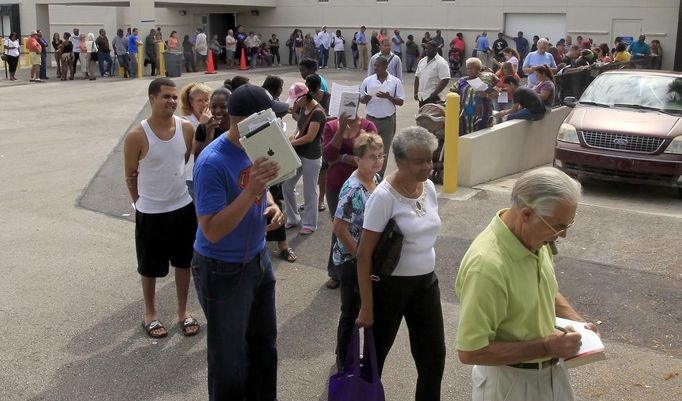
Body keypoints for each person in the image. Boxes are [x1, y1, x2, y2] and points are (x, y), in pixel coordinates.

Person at [456, 167, 597, 401]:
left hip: (552, 374)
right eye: (558, 226)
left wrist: (578, 323)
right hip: (511, 384)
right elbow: (470, 351)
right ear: (527, 214)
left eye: (567, 226)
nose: (561, 236)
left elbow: (545, 289)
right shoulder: (487, 267)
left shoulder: (534, 240)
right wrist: (546, 347)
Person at [192, 84, 284, 401]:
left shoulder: (256, 146)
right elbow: (212, 230)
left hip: (258, 260)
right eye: (270, 118)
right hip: (222, 270)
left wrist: (270, 203)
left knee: (264, 349)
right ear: (247, 123)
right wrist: (251, 192)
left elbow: (263, 188)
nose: (277, 125)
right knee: (229, 361)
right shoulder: (211, 163)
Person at [356, 126, 445, 401]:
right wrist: (367, 306)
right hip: (390, 288)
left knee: (433, 357)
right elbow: (363, 254)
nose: (428, 167)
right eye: (420, 161)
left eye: (430, 159)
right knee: (375, 358)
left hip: (425, 284)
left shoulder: (429, 188)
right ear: (400, 160)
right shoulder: (383, 197)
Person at [123, 77, 200, 340]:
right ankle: (151, 314)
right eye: (165, 96)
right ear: (152, 98)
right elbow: (130, 175)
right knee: (149, 266)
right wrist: (141, 203)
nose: (171, 101)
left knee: (183, 262)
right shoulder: (136, 135)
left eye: (174, 97)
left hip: (183, 207)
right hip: (150, 212)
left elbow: (183, 160)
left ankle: (182, 311)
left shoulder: (186, 128)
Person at [331, 132, 384, 370]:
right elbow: (339, 228)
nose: (377, 161)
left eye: (380, 156)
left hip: (366, 259)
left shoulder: (376, 178)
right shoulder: (353, 189)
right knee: (351, 312)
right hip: (351, 261)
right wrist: (361, 256)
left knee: (366, 309)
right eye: (371, 157)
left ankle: (356, 357)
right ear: (358, 159)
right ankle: (344, 361)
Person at [322, 112, 378, 290]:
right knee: (339, 227)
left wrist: (343, 158)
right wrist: (341, 130)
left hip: (365, 183)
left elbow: (372, 157)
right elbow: (329, 156)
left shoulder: (368, 126)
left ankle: (361, 267)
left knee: (364, 227)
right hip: (336, 185)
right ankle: (336, 271)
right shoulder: (331, 126)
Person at [282, 81, 327, 235]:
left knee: (309, 190)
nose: (295, 105)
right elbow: (301, 127)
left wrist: (291, 142)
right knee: (287, 185)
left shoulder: (318, 112)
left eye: (296, 101)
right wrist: (294, 135)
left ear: (304, 97)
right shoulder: (304, 107)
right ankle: (293, 218)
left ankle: (310, 223)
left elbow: (310, 137)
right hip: (299, 153)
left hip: (312, 157)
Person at [361, 56, 405, 177]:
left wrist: (388, 97)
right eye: (374, 65)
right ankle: (368, 174)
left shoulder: (395, 82)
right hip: (371, 119)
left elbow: (401, 102)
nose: (375, 68)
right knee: (368, 148)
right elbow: (361, 99)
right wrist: (365, 98)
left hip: (387, 121)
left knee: (383, 152)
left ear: (385, 67)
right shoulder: (367, 81)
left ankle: (378, 177)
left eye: (378, 66)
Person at [452, 57, 499, 135]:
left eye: (471, 69)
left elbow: (496, 94)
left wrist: (487, 95)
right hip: (464, 118)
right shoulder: (462, 81)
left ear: (478, 69)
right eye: (467, 69)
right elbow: (453, 92)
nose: (468, 71)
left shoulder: (487, 80)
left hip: (482, 117)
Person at [193, 88, 230, 160]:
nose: (218, 111)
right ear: (209, 107)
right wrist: (209, 136)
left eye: (223, 107)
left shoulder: (237, 128)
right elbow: (198, 161)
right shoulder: (203, 129)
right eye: (214, 107)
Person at [414, 41, 451, 107]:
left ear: (436, 49)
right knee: (423, 117)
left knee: (432, 117)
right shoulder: (422, 61)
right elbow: (417, 77)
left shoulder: (441, 62)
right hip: (422, 97)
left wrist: (434, 94)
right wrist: (416, 92)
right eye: (426, 48)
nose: (427, 50)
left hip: (433, 98)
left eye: (429, 49)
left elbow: (445, 79)